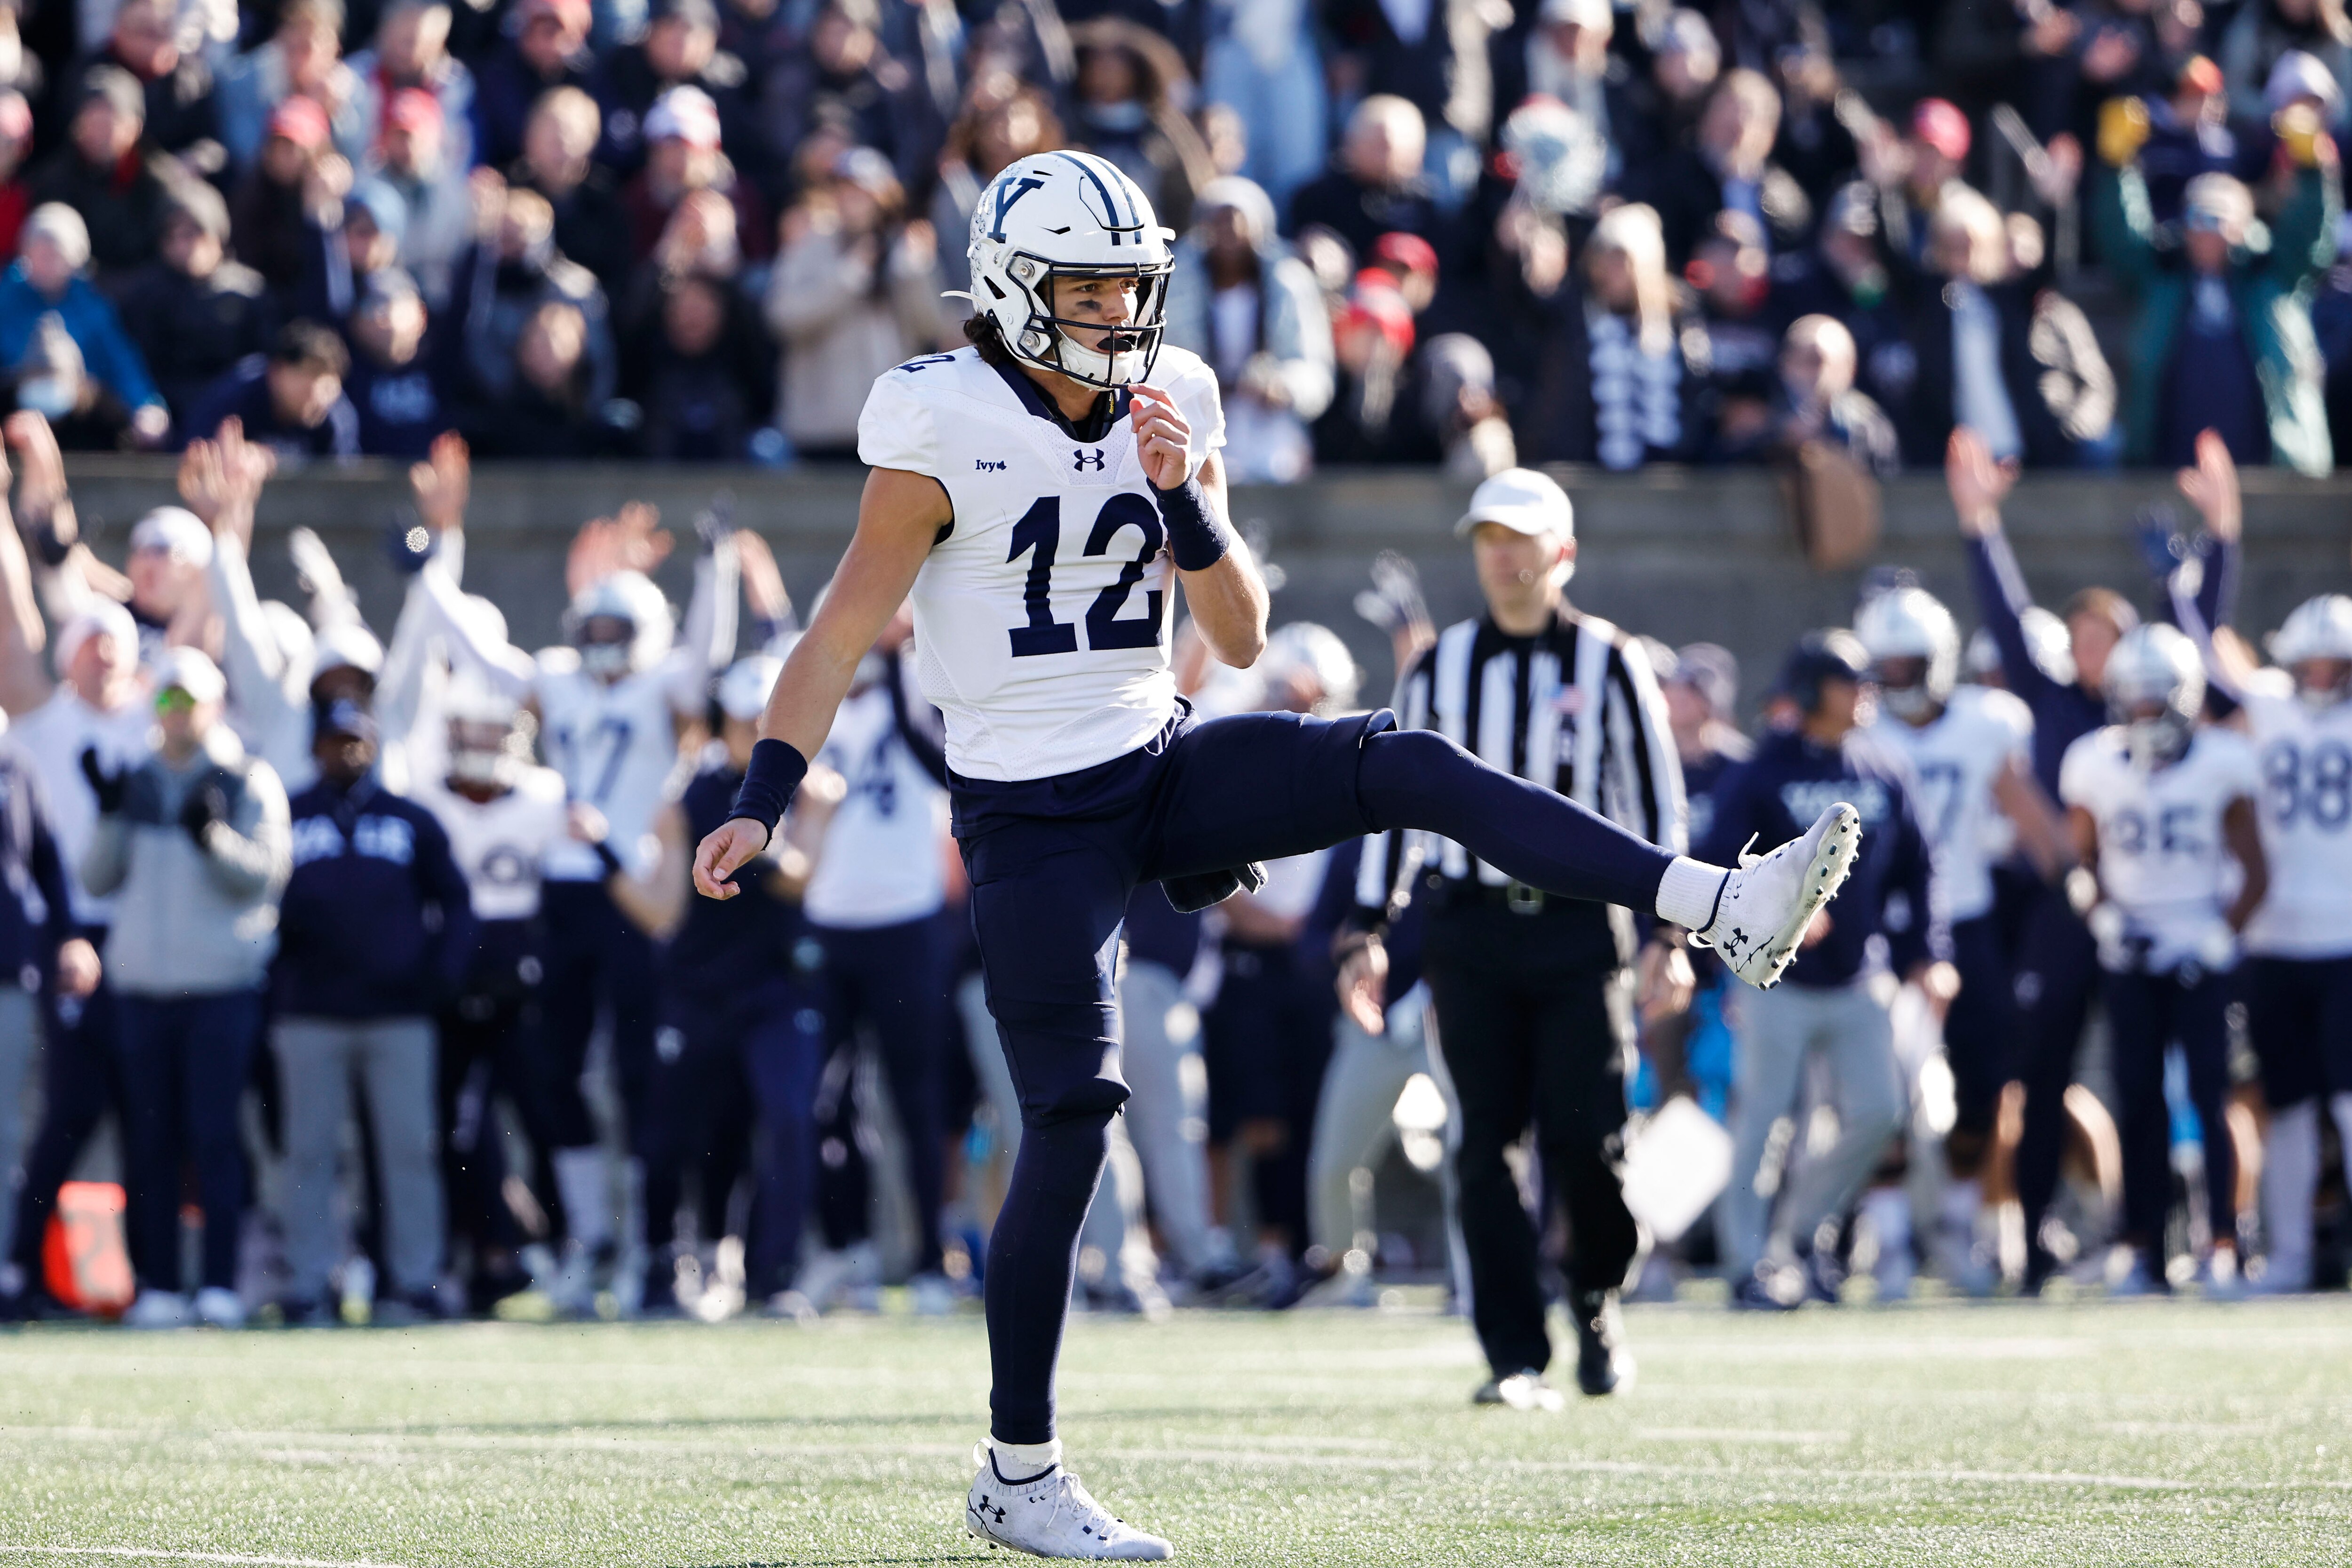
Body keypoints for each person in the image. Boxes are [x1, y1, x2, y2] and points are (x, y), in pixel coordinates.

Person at [688, 149, 1860, 1560]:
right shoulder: (939, 418)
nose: (1121, 311)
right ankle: (1017, 1469)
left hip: (1160, 758)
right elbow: (835, 628)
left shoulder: (1169, 391)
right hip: (1026, 810)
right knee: (1070, 1112)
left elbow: (1239, 637)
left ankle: (1717, 899)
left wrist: (1186, 500)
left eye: (1134, 282)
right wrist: (765, 789)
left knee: (1409, 759)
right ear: (1012, 288)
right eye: (1089, 286)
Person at [1341, 466, 1688, 1404]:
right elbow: (1397, 801)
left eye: (1518, 538)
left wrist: (1672, 933)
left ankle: (1594, 1295)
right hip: (1471, 931)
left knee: (1589, 1140)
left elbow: (1653, 802)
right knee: (1484, 1142)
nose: (1500, 555)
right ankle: (1513, 1350)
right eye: (1487, 537)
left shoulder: (1611, 663)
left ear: (1561, 552)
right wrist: (1368, 925)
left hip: (1582, 932)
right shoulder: (1439, 666)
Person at [413, 503, 737, 1313]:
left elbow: (705, 659)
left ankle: (642, 1245)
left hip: (632, 885)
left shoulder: (666, 684)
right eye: (589, 623)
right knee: (555, 1071)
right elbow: (484, 655)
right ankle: (587, 1238)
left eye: (614, 625)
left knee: (638, 1075)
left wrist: (716, 571)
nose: (598, 639)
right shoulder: (555, 678)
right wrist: (429, 575)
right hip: (560, 889)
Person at [1949, 422, 2152, 1291]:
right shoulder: (2054, 703)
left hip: (2148, 907)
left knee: (2146, 1082)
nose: (2086, 650)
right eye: (2078, 638)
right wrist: (1979, 526)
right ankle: (2029, 1244)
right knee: (2040, 1073)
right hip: (2063, 912)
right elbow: (2002, 611)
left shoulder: (2156, 716)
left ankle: (2152, 1242)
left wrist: (2216, 549)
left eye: (2101, 636)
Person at [1705, 631, 1953, 1309]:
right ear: (1813, 690)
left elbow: (1922, 868)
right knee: (1764, 1122)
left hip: (1859, 976)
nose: (1866, 694)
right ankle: (1746, 1262)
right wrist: (1778, 908)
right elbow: (1719, 860)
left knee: (1879, 1112)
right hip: (1773, 977)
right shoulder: (1762, 770)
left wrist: (1930, 954)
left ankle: (1797, 1235)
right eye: (1851, 682)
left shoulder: (1883, 765)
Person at [600, 653, 836, 1317]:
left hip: (776, 990)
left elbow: (797, 878)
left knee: (791, 1116)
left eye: (767, 721)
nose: (757, 733)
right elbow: (666, 912)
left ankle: (772, 1275)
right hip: (698, 988)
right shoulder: (688, 801)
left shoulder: (810, 790)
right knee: (671, 1133)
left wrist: (802, 822)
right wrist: (605, 860)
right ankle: (657, 1267)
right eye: (744, 720)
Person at [1854, 584, 2067, 1291]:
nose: (1893, 681)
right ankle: (1885, 1242)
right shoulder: (1860, 731)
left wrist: (2075, 878)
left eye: (1907, 665)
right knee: (1881, 1094)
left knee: (1984, 1083)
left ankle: (1954, 1220)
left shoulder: (1987, 724)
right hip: (1881, 932)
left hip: (1968, 920)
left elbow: (2030, 820)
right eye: (1882, 666)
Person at [81, 646, 290, 1329]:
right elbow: (96, 879)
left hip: (221, 987)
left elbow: (264, 875)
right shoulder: (137, 779)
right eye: (167, 701)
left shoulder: (245, 779)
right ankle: (161, 1285)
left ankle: (221, 1284)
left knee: (214, 1138)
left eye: (189, 701)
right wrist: (111, 813)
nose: (176, 714)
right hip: (142, 989)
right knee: (150, 1143)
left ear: (213, 706)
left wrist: (216, 839)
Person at [2061, 623, 2267, 1293]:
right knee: (2138, 1102)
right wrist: (2106, 919)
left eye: (2157, 698)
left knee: (2211, 1099)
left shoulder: (2221, 762)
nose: (2145, 711)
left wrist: (2219, 936)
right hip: (2132, 953)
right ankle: (2142, 1244)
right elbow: (2080, 867)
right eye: (2135, 697)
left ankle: (2225, 1243)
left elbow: (2255, 869)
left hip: (2200, 955)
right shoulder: (2093, 761)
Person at [273, 697, 473, 1324]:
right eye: (336, 741)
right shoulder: (289, 815)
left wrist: (439, 975)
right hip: (310, 1013)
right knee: (308, 1151)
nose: (347, 751)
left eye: (358, 740)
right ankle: (310, 1283)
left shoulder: (410, 819)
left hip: (399, 1014)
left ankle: (415, 1282)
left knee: (409, 1149)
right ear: (314, 747)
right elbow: (260, 903)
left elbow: (458, 902)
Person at [798, 609, 957, 1310]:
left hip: (906, 923)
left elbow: (936, 760)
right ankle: (849, 1251)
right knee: (826, 1103)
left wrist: (897, 659)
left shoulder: (921, 693)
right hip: (828, 926)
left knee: (916, 1103)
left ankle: (929, 1260)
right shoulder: (810, 707)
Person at [2094, 132, 2341, 475]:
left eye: (2217, 219)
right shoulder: (2163, 274)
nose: (2206, 230)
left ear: (2242, 226)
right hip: (2173, 464)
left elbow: (2309, 235)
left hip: (2267, 466)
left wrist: (2313, 172)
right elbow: (2120, 239)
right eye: (2196, 217)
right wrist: (2117, 169)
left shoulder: (2273, 272)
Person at [1160, 175, 1334, 483]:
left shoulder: (1290, 282)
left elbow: (1315, 367)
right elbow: (1162, 359)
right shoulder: (1176, 286)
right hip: (1198, 419)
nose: (1231, 230)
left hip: (1271, 425)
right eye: (1221, 220)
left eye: (1239, 220)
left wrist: (1284, 387)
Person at [0, 204, 169, 446]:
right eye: (41, 254)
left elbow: (121, 361)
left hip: (82, 423)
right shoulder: (5, 297)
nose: (49, 265)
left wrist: (146, 406)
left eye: (57, 255)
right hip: (13, 423)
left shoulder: (93, 304)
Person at [115, 182, 274, 430]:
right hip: (168, 417)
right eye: (174, 235)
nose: (184, 245)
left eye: (194, 234)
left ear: (218, 236)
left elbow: (261, 366)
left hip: (236, 417)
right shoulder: (146, 295)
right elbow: (136, 367)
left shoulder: (249, 293)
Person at [184, 320, 360, 459]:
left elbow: (345, 487)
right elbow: (188, 456)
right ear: (276, 372)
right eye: (306, 380)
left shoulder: (338, 418)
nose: (317, 396)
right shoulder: (233, 398)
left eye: (328, 387)